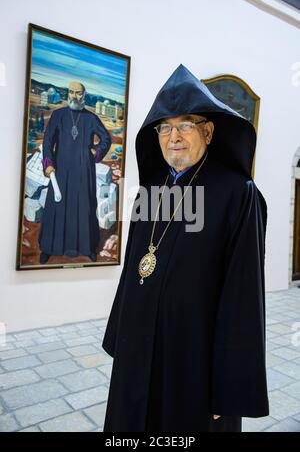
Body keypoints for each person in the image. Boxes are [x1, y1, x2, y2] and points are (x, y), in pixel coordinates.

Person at [102, 64, 269, 432]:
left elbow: (243, 297)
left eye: (185, 125)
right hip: (138, 350)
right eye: (165, 127)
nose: (173, 136)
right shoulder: (152, 190)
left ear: (208, 131)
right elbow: (136, 266)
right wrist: (120, 338)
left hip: (192, 362)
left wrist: (226, 388)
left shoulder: (238, 195)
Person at [38, 81, 111, 263]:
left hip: (83, 172)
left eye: (78, 93)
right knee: (57, 209)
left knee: (84, 208)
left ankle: (88, 248)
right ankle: (49, 248)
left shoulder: (91, 118)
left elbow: (106, 139)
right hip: (60, 171)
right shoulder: (58, 115)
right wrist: (48, 164)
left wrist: (95, 152)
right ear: (67, 93)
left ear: (83, 95)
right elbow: (47, 142)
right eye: (71, 92)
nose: (74, 96)